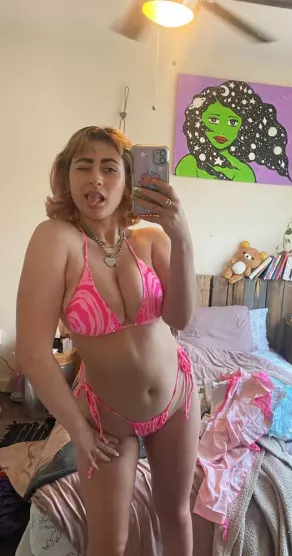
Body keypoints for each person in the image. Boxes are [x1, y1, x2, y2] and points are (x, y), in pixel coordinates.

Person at [16, 126, 199, 556]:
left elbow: (180, 318)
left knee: (176, 515)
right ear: (67, 178)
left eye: (109, 168)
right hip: (107, 419)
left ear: (129, 180)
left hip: (177, 400)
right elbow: (32, 351)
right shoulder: (56, 238)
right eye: (83, 166)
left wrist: (182, 236)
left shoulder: (151, 239)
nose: (95, 179)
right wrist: (79, 431)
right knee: (108, 543)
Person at [175, 80, 292, 182]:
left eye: (232, 122)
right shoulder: (190, 163)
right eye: (213, 120)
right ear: (200, 120)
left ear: (244, 126)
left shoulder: (245, 171)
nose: (222, 131)